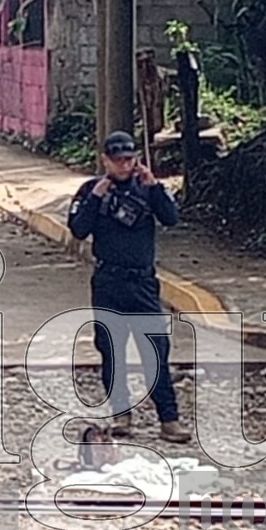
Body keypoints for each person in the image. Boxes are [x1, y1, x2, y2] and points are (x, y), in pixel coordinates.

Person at [66, 130, 191, 444]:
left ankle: (169, 419)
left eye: (129, 159)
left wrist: (155, 187)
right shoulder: (91, 190)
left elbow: (171, 218)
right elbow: (78, 229)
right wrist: (96, 197)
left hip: (142, 283)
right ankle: (121, 413)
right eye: (118, 160)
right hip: (108, 282)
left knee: (155, 352)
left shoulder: (147, 188)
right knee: (111, 351)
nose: (124, 165)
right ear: (105, 160)